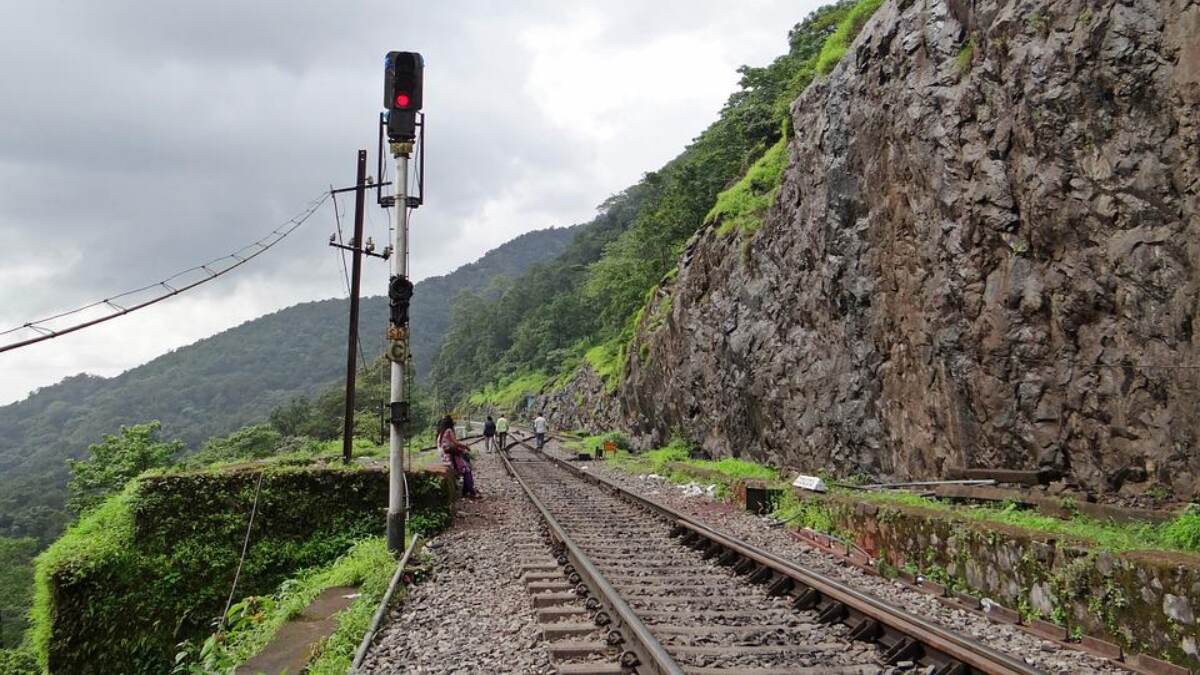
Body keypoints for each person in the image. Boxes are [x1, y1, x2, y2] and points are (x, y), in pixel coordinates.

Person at [437, 415, 478, 498]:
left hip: (444, 457)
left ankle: (466, 491)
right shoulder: (449, 430)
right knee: (466, 470)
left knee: (463, 470)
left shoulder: (440, 433)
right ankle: (470, 491)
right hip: (451, 457)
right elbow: (455, 442)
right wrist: (465, 447)